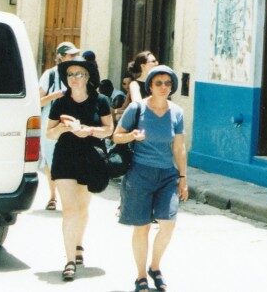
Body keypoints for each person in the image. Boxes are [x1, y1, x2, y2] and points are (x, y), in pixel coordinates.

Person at [112, 65, 187, 292]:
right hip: (140, 173)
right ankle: (141, 276)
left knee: (168, 224)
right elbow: (116, 135)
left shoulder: (177, 112)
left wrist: (183, 177)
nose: (164, 87)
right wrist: (132, 135)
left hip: (166, 175)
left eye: (168, 83)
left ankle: (155, 267)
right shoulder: (137, 109)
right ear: (150, 86)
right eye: (158, 83)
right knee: (141, 228)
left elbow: (179, 147)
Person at [46, 56, 114, 281]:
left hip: (90, 159)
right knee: (70, 209)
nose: (73, 78)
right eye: (70, 74)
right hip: (65, 159)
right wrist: (67, 129)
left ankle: (78, 245)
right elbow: (49, 133)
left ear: (87, 77)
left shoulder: (100, 100)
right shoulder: (60, 102)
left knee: (83, 208)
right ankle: (68, 261)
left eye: (79, 74)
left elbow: (108, 130)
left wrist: (88, 130)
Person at [39, 42, 81, 211]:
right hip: (51, 120)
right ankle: (52, 196)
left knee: (71, 157)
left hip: (72, 121)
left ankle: (68, 198)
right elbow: (38, 100)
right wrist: (57, 95)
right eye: (71, 55)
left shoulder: (78, 74)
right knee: (51, 159)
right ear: (61, 57)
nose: (74, 58)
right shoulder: (50, 75)